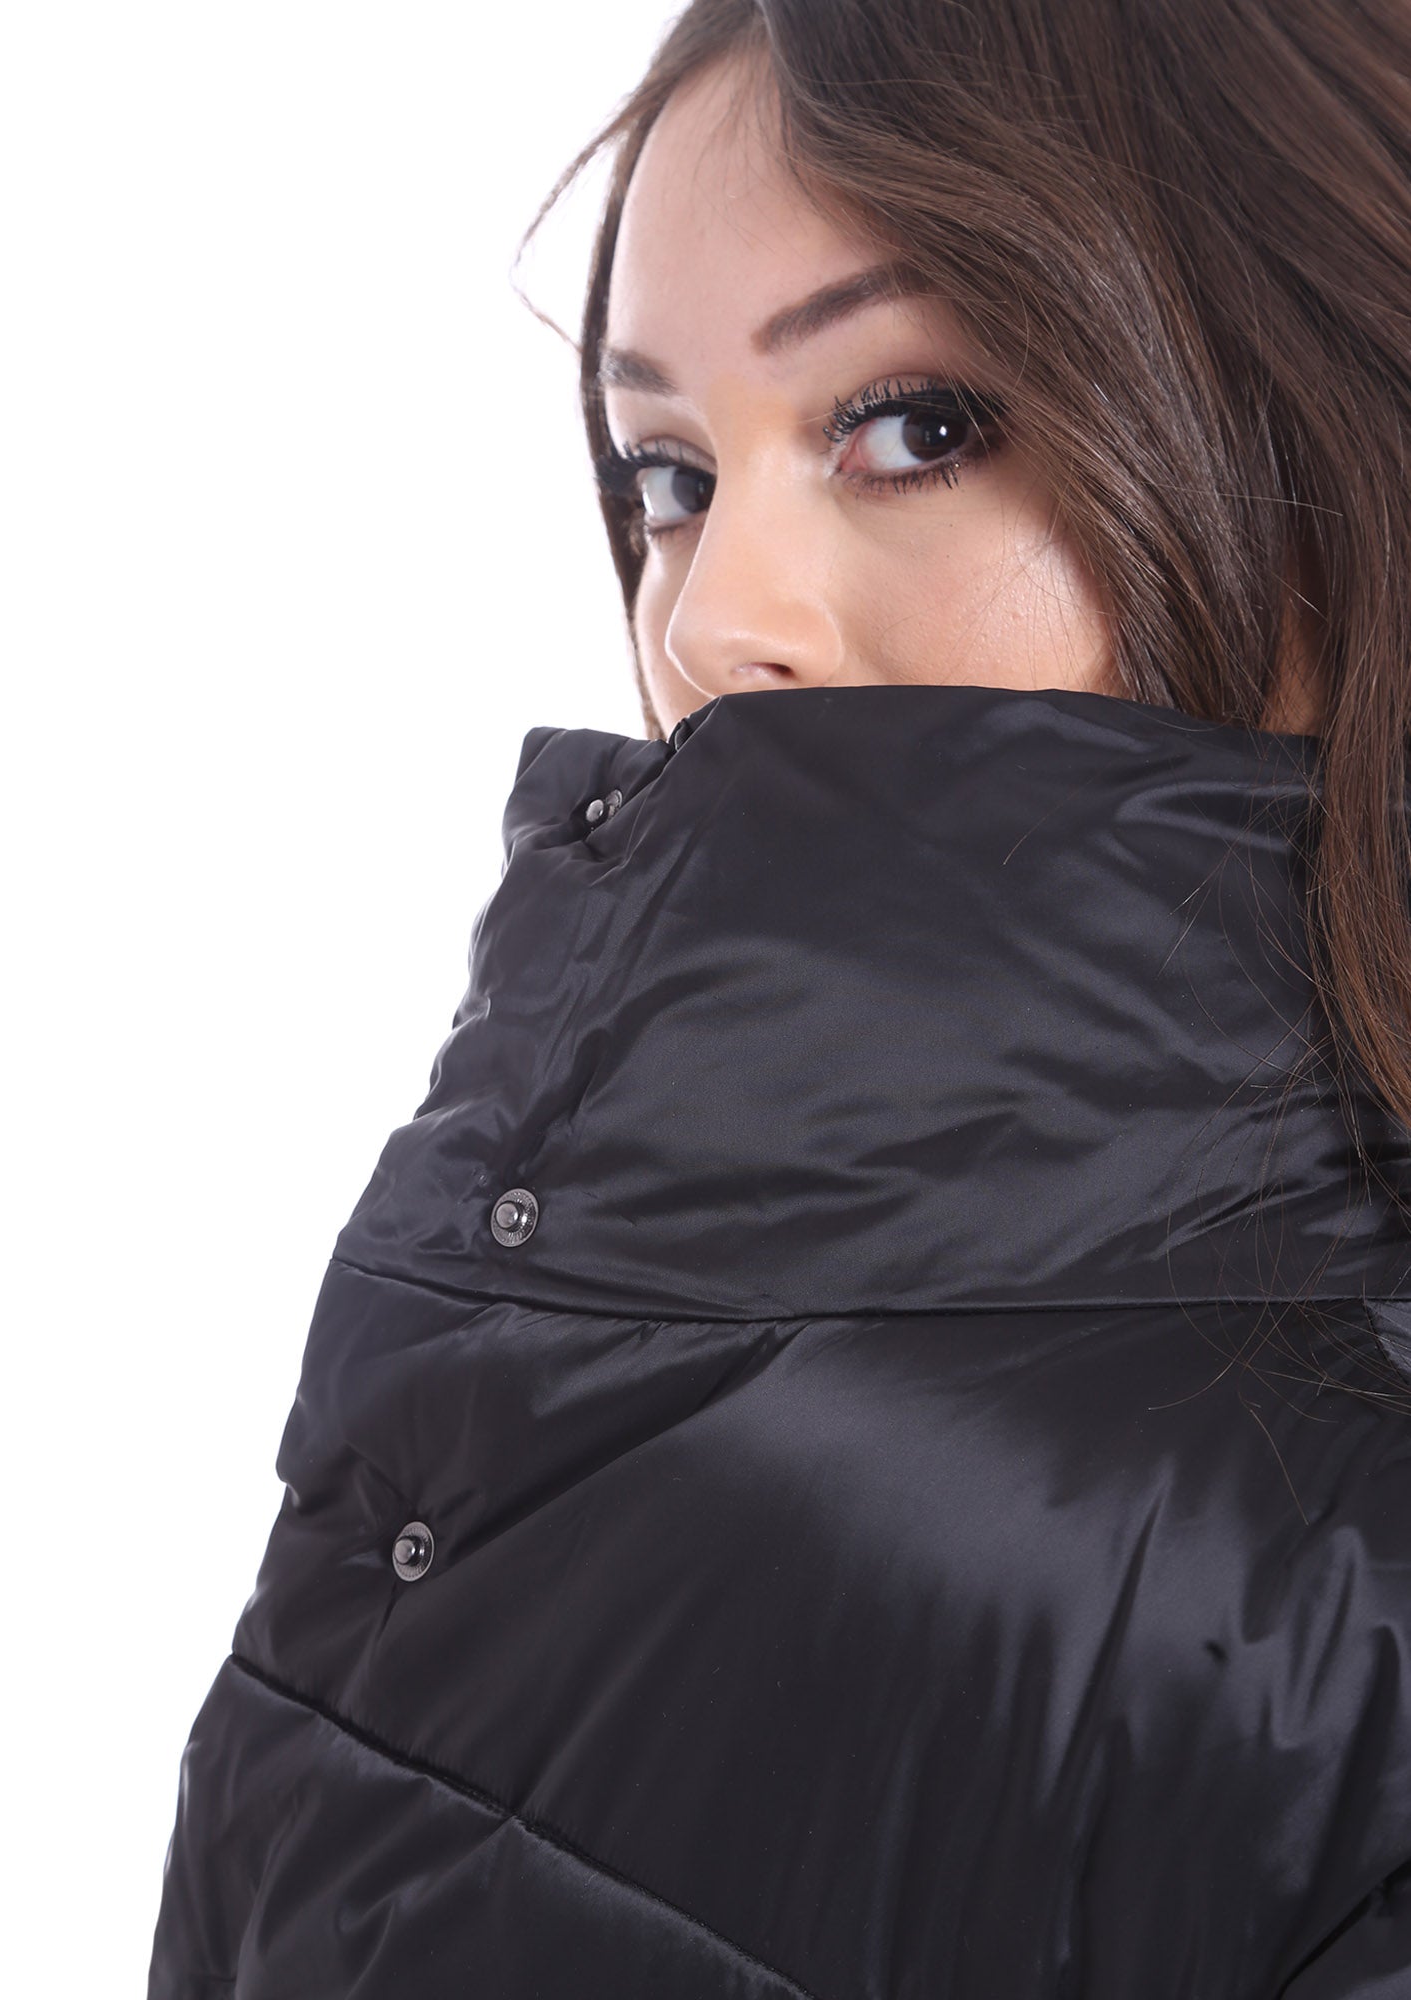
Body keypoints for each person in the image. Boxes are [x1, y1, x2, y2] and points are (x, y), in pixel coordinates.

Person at [148, 3, 1411, 1993]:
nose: (714, 616)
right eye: (669, 474)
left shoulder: (1340, 1590)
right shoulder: (531, 1259)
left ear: (1335, 431)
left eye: (919, 425)